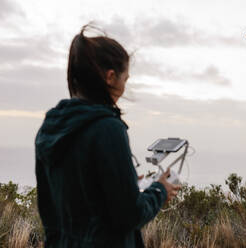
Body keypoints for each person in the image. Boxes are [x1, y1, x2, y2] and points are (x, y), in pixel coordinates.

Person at [35, 24, 181, 247]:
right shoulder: (107, 128)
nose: (125, 86)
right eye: (125, 78)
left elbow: (54, 207)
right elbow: (129, 215)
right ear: (111, 77)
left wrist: (128, 183)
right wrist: (160, 190)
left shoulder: (51, 127)